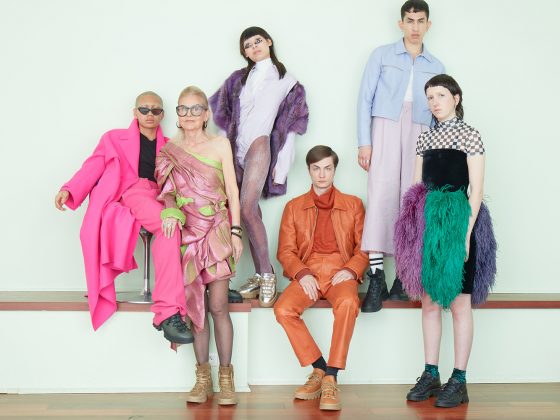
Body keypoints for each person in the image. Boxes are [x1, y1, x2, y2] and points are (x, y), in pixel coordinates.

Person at [54, 91, 193, 345]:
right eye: (144, 109)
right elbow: (92, 166)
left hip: (163, 195)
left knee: (172, 229)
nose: (149, 115)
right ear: (135, 112)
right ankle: (169, 312)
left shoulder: (172, 145)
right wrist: (69, 189)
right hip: (134, 191)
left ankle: (169, 312)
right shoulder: (113, 138)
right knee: (167, 226)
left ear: (162, 114)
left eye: (155, 110)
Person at [394, 75, 496, 408]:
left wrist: (465, 236)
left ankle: (459, 379)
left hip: (458, 223)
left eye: (440, 95)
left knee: (460, 304)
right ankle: (430, 373)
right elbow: (416, 188)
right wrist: (413, 233)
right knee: (429, 303)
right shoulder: (425, 138)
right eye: (429, 97)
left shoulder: (470, 135)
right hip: (429, 226)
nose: (434, 102)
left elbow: (476, 191)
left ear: (456, 97)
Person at [210, 26, 309, 307]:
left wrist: (283, 165)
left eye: (257, 41)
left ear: (268, 41)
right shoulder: (237, 79)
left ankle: (267, 275)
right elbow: (223, 116)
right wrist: (221, 153)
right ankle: (258, 273)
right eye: (247, 45)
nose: (254, 47)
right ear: (244, 52)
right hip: (235, 148)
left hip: (260, 144)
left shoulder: (287, 80)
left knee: (246, 208)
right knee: (247, 211)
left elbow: (292, 125)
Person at [156, 86, 242, 406]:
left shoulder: (220, 144)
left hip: (217, 230)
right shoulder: (169, 150)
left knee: (218, 305)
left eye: (196, 109)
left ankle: (226, 378)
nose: (189, 115)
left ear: (206, 114)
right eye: (183, 109)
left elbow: (232, 192)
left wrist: (236, 232)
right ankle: (202, 378)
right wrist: (170, 211)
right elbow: (165, 192)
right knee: (197, 310)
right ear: (178, 116)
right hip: (188, 235)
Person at [357, 0, 445, 312]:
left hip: (421, 131)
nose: (415, 27)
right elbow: (364, 99)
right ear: (401, 23)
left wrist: (437, 154)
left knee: (411, 200)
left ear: (428, 25)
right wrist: (364, 143)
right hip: (385, 125)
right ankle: (377, 276)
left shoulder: (436, 65)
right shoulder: (381, 55)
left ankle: (404, 277)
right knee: (381, 195)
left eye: (421, 21)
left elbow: (441, 111)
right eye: (410, 20)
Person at [274, 146, 368, 411]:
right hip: (309, 271)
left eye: (327, 168)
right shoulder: (294, 207)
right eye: (316, 168)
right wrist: (302, 273)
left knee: (348, 303)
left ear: (335, 170)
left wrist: (351, 270)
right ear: (309, 170)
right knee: (283, 309)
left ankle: (331, 378)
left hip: (341, 270)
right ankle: (320, 368)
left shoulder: (353, 204)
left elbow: (364, 248)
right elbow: (285, 251)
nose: (322, 174)